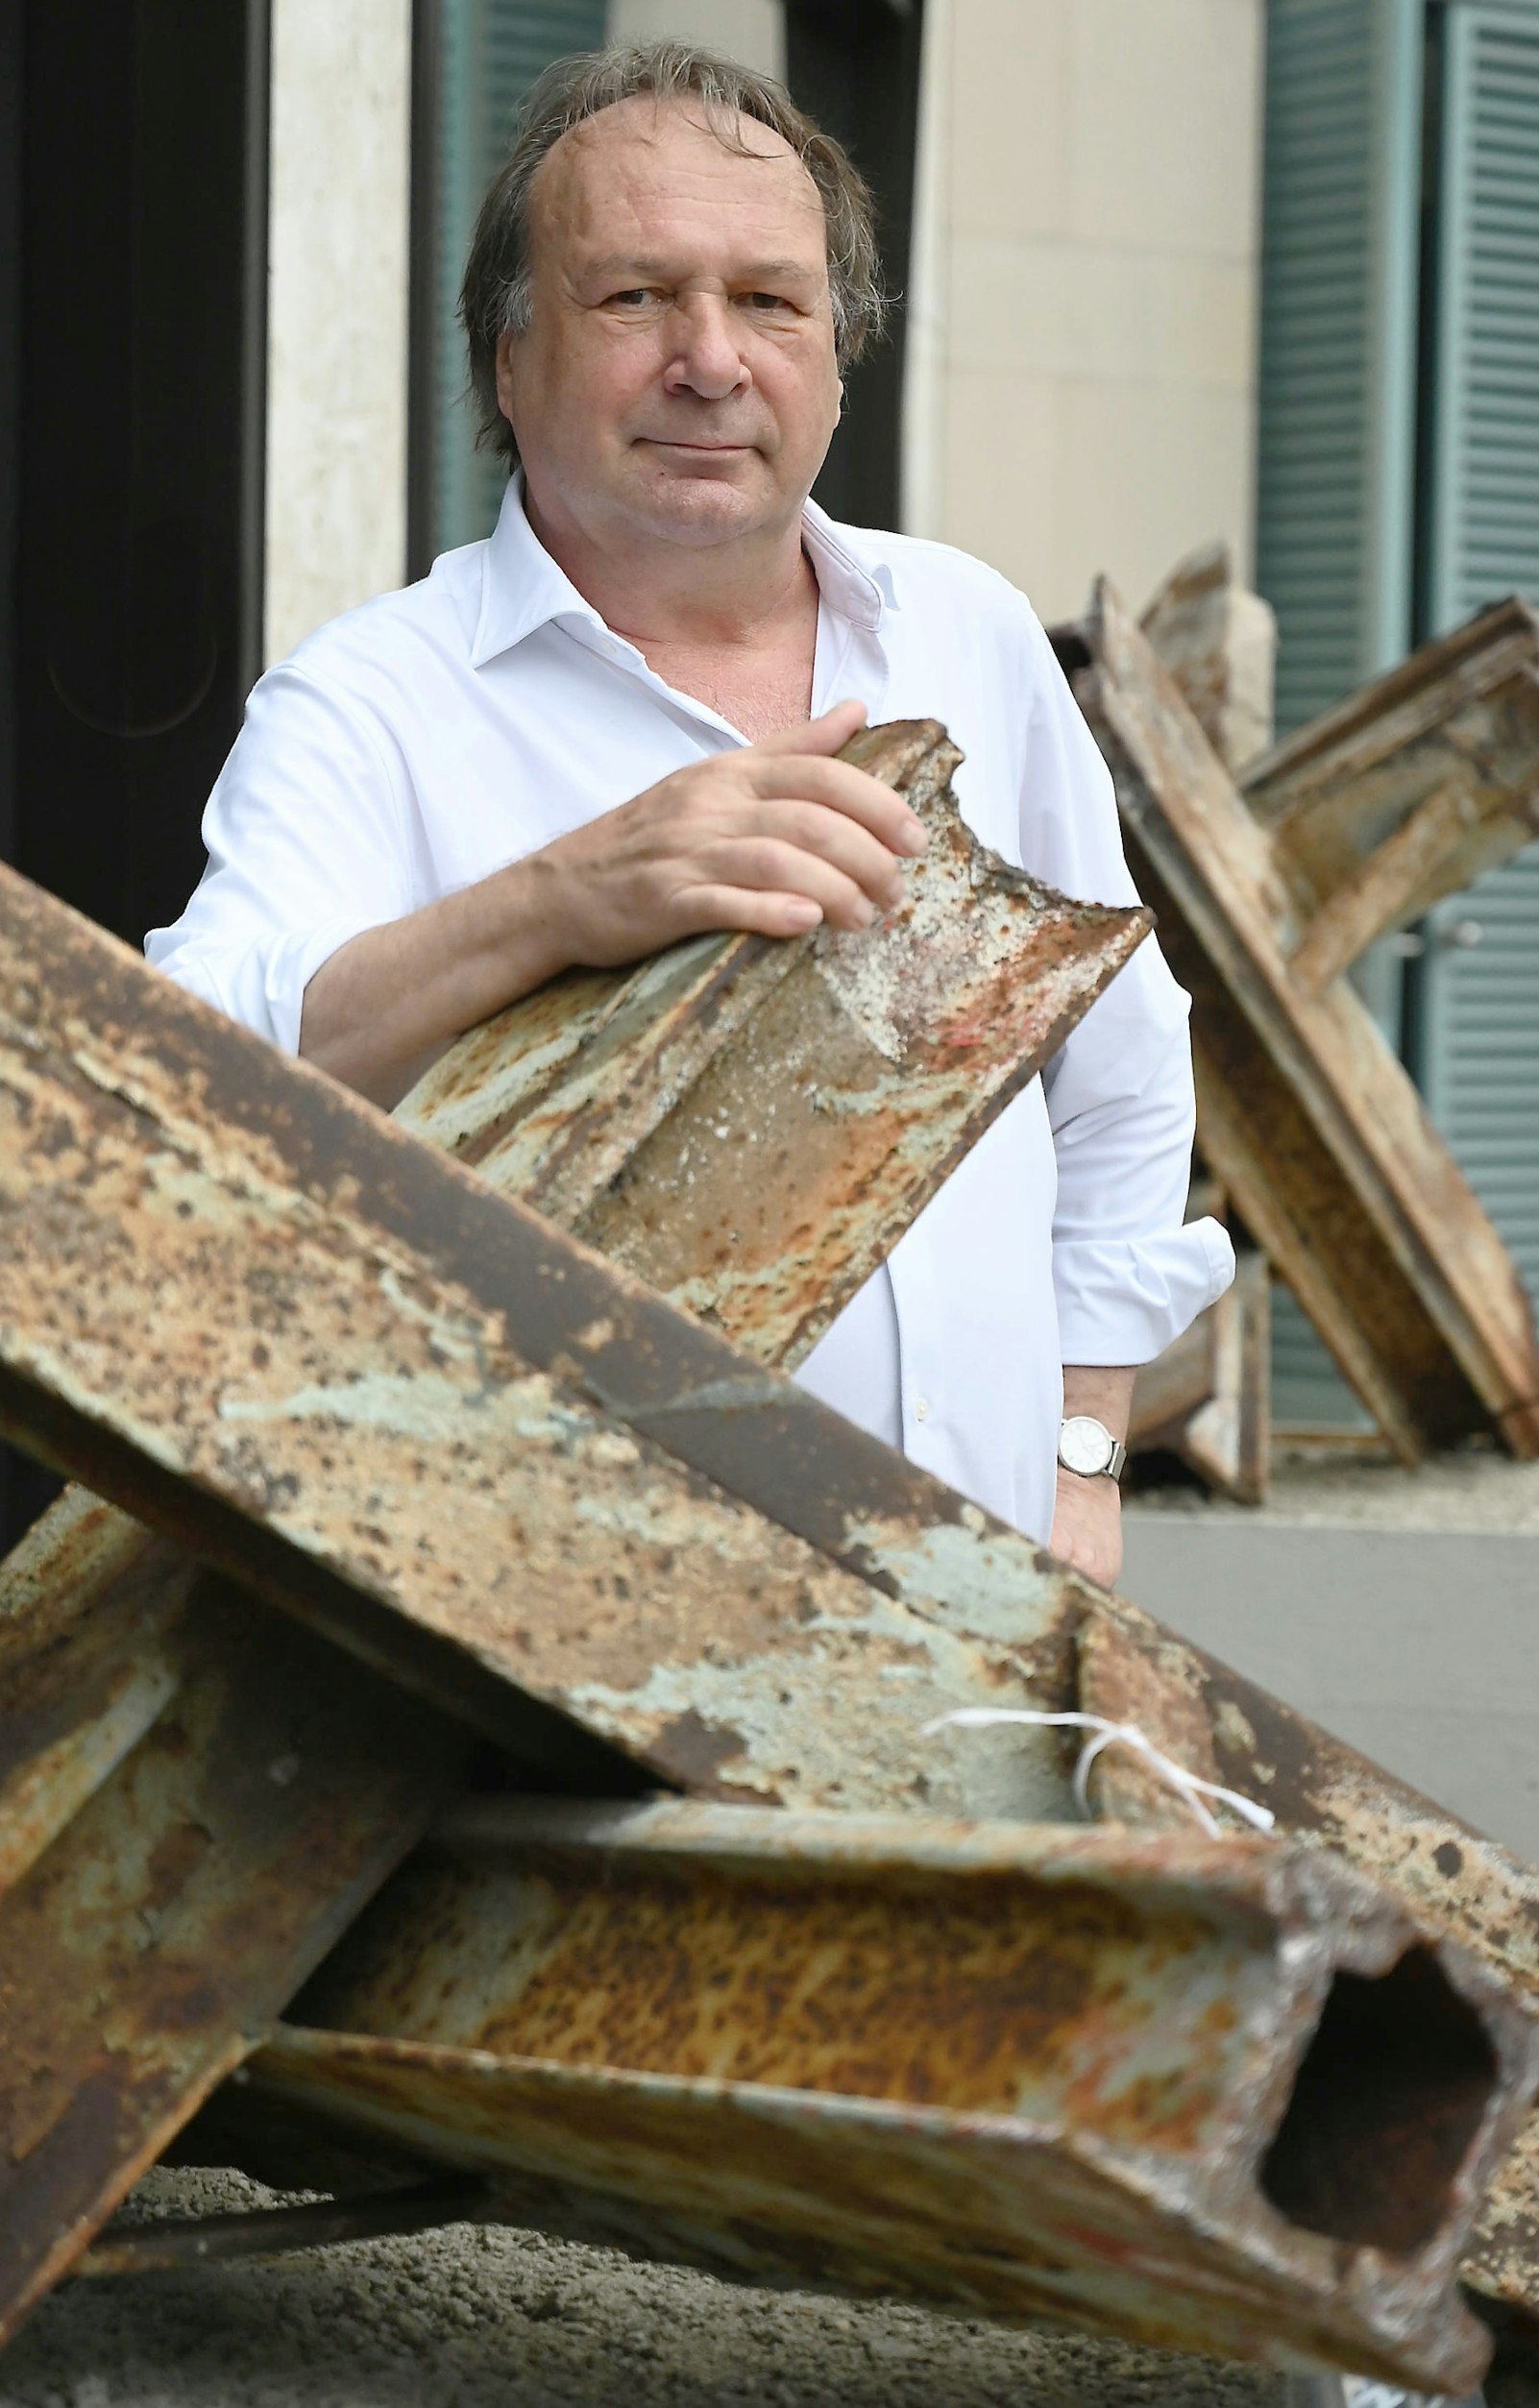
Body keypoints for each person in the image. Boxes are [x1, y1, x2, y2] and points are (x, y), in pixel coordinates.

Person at [148, 40, 1232, 1586]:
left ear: (839, 360)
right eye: (635, 296)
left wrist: (1082, 1461)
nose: (712, 360)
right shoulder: (372, 701)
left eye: (772, 302)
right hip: (580, 1655)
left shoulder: (969, 630)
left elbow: (1122, 1069)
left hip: (987, 1613)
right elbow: (189, 1074)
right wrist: (555, 903)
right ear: (508, 359)